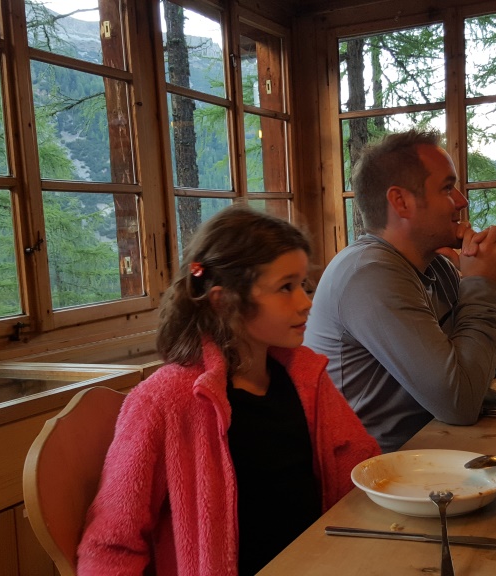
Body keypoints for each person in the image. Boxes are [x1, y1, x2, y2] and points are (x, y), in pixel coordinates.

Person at [76, 206, 380, 576]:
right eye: (286, 287)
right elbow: (112, 544)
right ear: (223, 302)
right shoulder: (163, 401)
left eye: (304, 285)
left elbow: (361, 469)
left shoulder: (306, 377)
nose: (305, 303)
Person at [304, 129, 496, 453]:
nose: (462, 201)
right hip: (370, 474)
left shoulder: (438, 267)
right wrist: (483, 284)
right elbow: (461, 404)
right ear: (401, 202)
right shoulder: (369, 273)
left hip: (430, 457)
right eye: (447, 188)